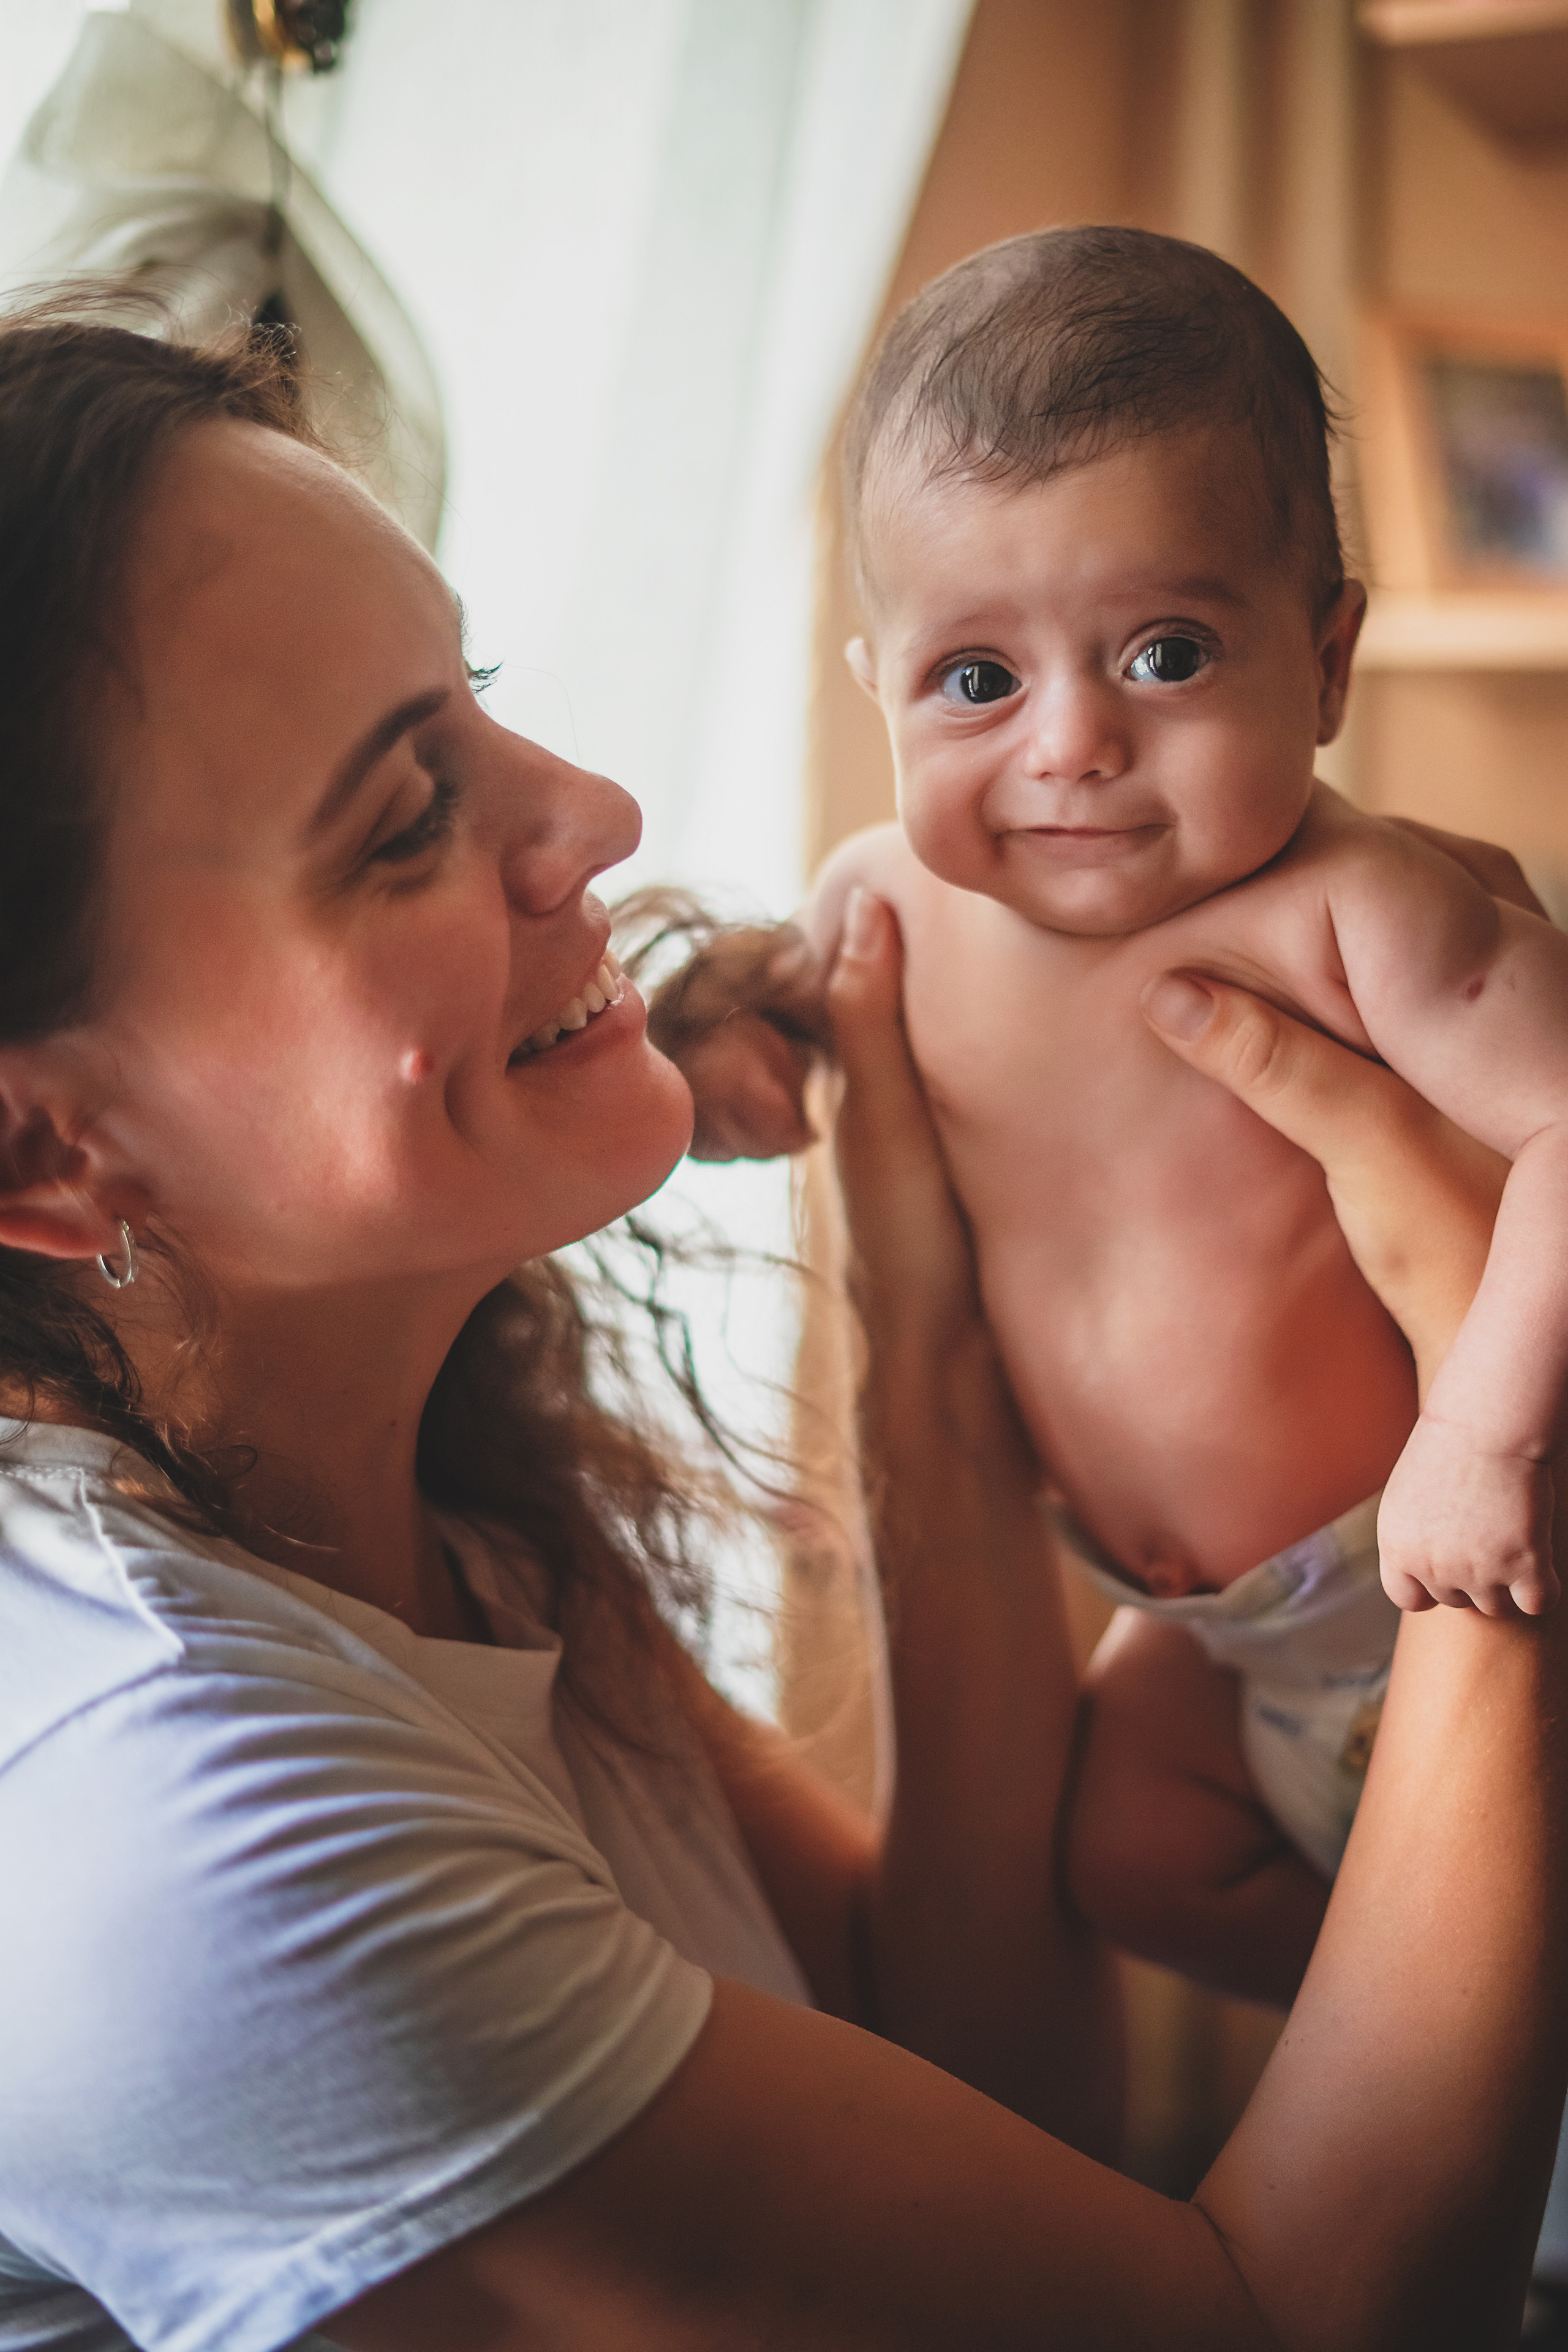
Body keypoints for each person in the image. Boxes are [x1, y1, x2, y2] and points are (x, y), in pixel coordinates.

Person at [0, 300, 1564, 2352]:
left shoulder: (426, 1520)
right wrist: (1488, 1402)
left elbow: (980, 2076)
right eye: (405, 819)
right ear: (48, 1157)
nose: (601, 816)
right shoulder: (172, 1848)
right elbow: (1286, 2322)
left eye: (479, 701)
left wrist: (926, 1324)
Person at [659, 222, 1568, 2004]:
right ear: (885, 689)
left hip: (1462, 1552)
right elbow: (744, 1040)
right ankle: (1455, 2034)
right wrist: (717, 1057)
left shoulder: (1354, 911)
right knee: (1128, 1857)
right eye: (978, 682)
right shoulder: (885, 908)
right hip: (1226, 1641)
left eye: (1163, 653)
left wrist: (1487, 1439)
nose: (1068, 745)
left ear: (1323, 663)